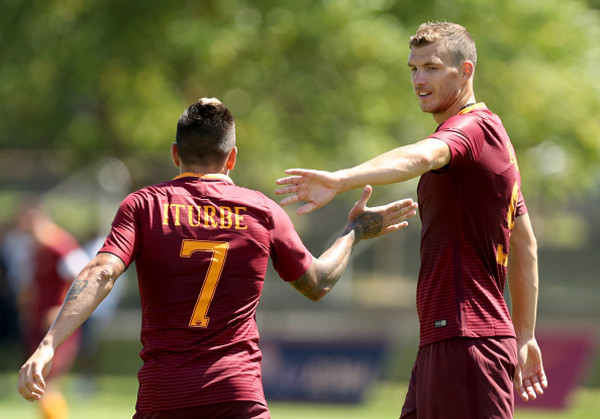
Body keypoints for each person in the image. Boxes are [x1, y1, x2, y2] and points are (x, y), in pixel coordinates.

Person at [18, 97, 418, 418]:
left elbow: (102, 272)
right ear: (232, 158)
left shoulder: (144, 206)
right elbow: (318, 283)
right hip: (236, 393)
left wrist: (49, 343)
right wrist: (356, 232)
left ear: (176, 153)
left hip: (164, 395)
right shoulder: (261, 211)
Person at [275, 21, 548, 418]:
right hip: (450, 336)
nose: (419, 79)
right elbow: (525, 244)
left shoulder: (470, 129)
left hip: (465, 338)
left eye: (432, 68)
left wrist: (340, 179)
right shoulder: (496, 138)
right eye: (413, 69)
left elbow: (422, 156)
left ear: (466, 71)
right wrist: (525, 336)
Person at [16, 201, 89, 419]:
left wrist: (61, 307)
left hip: (55, 324)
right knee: (41, 382)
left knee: (50, 381)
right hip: (38, 320)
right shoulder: (37, 247)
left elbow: (84, 277)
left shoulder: (59, 245)